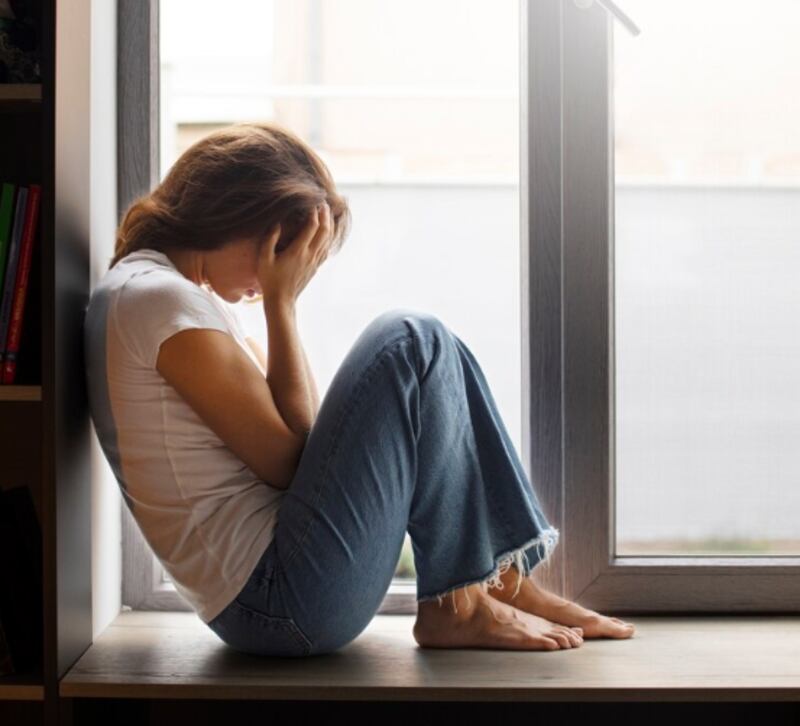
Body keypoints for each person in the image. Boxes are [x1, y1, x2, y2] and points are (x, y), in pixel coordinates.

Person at [85, 121, 635, 658]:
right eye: (284, 253)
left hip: (281, 598)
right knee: (410, 339)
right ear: (238, 216)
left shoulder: (165, 298)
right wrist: (282, 303)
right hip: (278, 600)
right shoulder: (159, 301)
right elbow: (291, 463)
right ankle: (459, 604)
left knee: (431, 347)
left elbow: (305, 441)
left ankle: (498, 582)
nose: (277, 277)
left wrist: (280, 303)